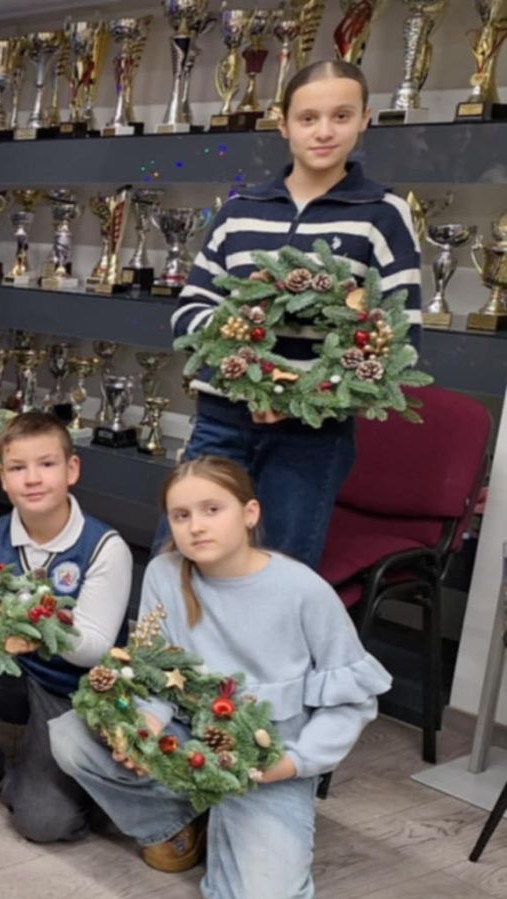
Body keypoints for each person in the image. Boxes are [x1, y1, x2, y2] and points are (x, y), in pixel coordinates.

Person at [51, 457, 390, 899]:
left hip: (267, 763)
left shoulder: (303, 591)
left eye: (212, 509)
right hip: (189, 740)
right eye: (181, 515)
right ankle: (177, 823)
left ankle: (234, 829)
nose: (196, 526)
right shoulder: (165, 573)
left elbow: (351, 702)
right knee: (73, 736)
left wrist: (293, 765)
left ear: (249, 513)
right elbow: (157, 670)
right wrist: (145, 723)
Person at [170, 59, 419, 569]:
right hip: (221, 421)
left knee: (277, 566)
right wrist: (244, 366)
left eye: (341, 116)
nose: (324, 131)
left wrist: (301, 396)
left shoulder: (383, 214)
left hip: (312, 434)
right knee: (183, 558)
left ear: (365, 119)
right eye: (308, 118)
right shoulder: (240, 210)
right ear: (282, 123)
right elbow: (191, 310)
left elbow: (398, 334)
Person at [0, 413, 132, 842]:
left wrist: (27, 619)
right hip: (15, 672)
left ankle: (75, 774)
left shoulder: (105, 548)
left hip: (72, 691)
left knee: (43, 822)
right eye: (17, 468)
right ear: (3, 478)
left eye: (47, 464)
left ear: (72, 469)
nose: (32, 479)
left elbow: (92, 650)